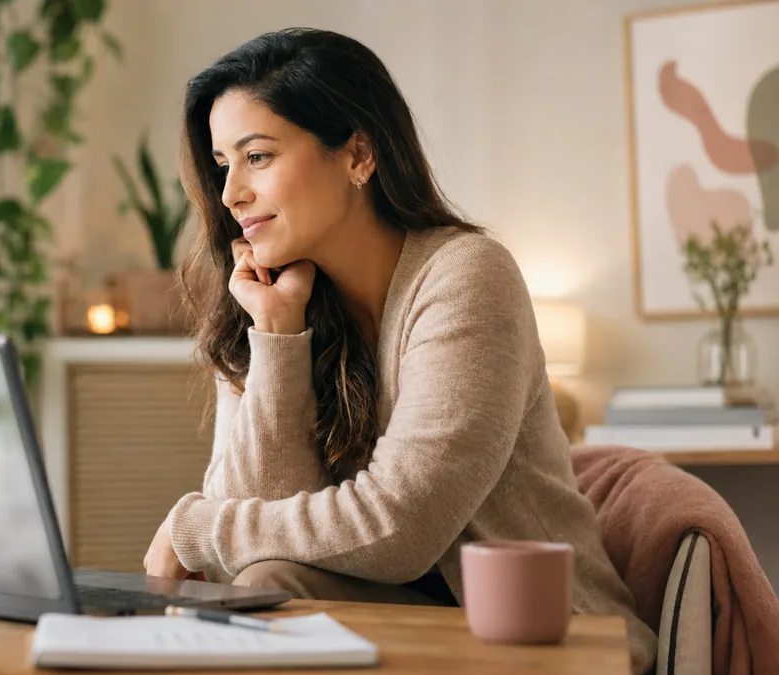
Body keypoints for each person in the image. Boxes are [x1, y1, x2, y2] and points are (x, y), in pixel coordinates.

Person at [141, 28, 656, 674]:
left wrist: (194, 525)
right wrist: (276, 337)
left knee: (270, 585)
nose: (230, 195)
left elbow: (399, 528)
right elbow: (256, 548)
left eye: (258, 157)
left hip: (549, 639)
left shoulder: (467, 276)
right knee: (269, 581)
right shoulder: (266, 304)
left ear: (358, 153)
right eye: (223, 165)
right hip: (405, 629)